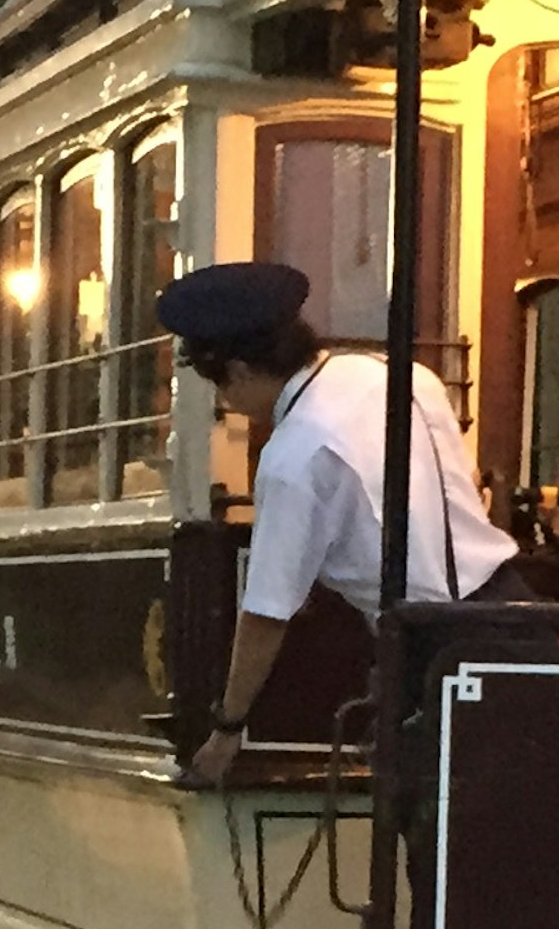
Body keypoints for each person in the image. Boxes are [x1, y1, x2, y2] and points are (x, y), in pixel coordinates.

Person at [164, 262, 521, 787]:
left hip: (436, 651)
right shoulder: (403, 375)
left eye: (221, 388)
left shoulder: (295, 457)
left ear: (238, 371)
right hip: (515, 615)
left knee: (440, 844)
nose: (228, 405)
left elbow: (266, 613)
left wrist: (228, 726)